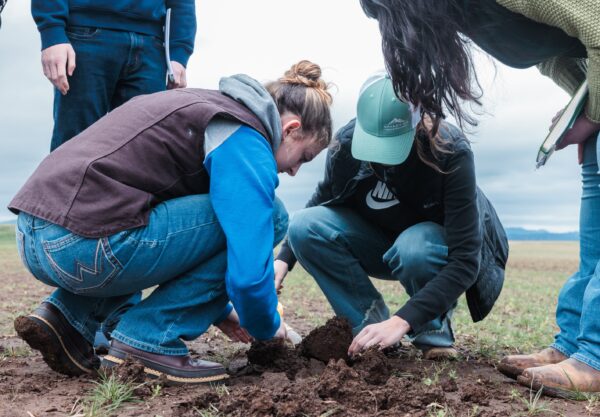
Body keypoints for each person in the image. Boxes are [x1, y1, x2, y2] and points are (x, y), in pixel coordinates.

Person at [9, 60, 333, 384]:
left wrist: (221, 312)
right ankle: (149, 339)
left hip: (37, 234)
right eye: (303, 158)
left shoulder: (204, 108)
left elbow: (173, 236)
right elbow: (248, 276)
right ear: (290, 129)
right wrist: (268, 328)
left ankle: (68, 318)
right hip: (84, 243)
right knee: (272, 214)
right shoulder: (245, 137)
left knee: (145, 217)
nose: (293, 172)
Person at [360, 0, 600, 396]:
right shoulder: (465, 13)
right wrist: (585, 108)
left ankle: (595, 355)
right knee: (594, 240)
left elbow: (595, 25)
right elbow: (553, 50)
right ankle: (573, 345)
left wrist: (592, 113)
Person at [274, 73, 508, 360]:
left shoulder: (450, 152)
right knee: (302, 225)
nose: (380, 158)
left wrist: (402, 320)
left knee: (415, 246)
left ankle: (431, 335)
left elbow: (465, 261)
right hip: (376, 242)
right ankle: (370, 333)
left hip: (426, 250)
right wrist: (282, 260)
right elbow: (323, 198)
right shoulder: (346, 143)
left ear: (417, 127)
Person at [32, 0, 196, 151]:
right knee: (75, 148)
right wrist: (52, 33)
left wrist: (178, 53)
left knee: (145, 152)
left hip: (151, 46)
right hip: (85, 34)